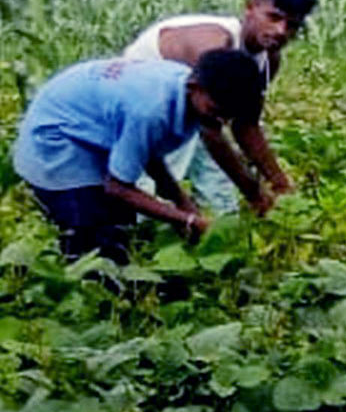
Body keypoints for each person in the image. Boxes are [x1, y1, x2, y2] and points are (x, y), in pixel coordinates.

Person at [11, 51, 268, 264]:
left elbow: (148, 152)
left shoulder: (183, 91)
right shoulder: (151, 110)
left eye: (228, 115)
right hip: (55, 143)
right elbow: (118, 187)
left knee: (121, 229)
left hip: (90, 133)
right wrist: (187, 219)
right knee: (91, 243)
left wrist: (181, 201)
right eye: (216, 111)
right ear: (194, 87)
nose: (219, 121)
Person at [121, 0, 317, 216]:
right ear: (250, 7)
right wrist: (254, 193)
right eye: (273, 17)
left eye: (292, 25)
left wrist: (280, 185)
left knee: (223, 206)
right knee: (158, 190)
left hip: (198, 112)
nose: (280, 31)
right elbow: (209, 130)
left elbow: (246, 125)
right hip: (148, 107)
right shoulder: (214, 43)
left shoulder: (268, 60)